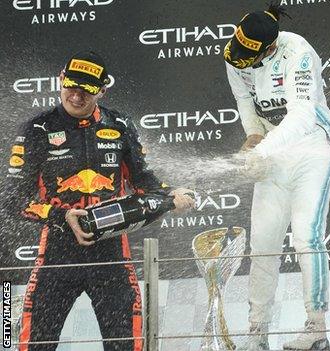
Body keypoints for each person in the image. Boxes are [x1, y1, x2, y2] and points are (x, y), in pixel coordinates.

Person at [5, 51, 196, 351]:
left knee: (126, 344)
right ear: (60, 79)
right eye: (70, 86)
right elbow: (13, 200)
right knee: (34, 344)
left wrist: (169, 194)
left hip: (111, 255)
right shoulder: (37, 130)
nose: (76, 97)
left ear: (103, 90)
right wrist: (59, 216)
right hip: (57, 254)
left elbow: (143, 181)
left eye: (87, 91)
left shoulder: (119, 125)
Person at [223, 3, 330, 351]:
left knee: (306, 237)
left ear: (269, 47)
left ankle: (316, 328)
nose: (240, 60)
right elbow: (245, 102)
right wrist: (254, 138)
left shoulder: (298, 53)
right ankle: (257, 332)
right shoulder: (234, 55)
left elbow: (303, 116)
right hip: (272, 148)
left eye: (250, 56)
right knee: (264, 244)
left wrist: (263, 149)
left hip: (311, 145)